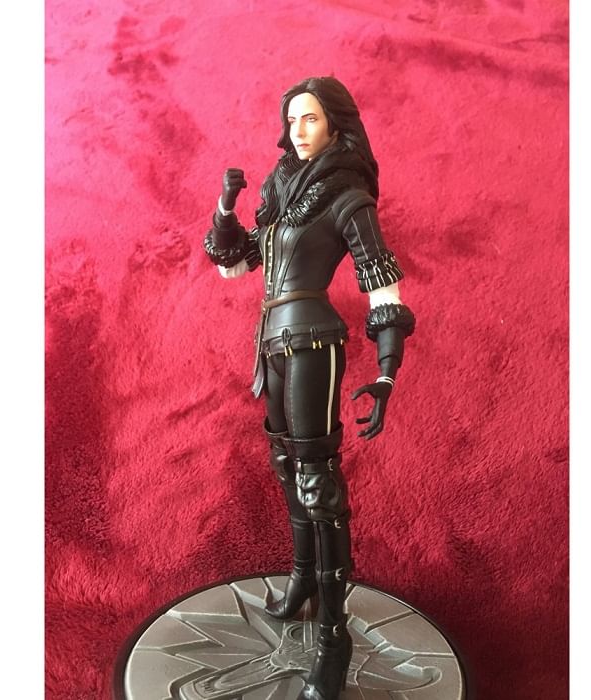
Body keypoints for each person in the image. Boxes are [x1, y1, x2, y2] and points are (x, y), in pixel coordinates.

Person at [203, 76, 415, 700]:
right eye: (292, 118)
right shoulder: (279, 191)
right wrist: (225, 208)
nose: (297, 129)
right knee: (283, 464)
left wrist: (386, 371)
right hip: (270, 344)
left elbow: (380, 278)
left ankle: (333, 635)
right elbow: (235, 265)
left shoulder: (347, 194)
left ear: (335, 124)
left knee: (317, 483)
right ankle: (301, 579)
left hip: (314, 343)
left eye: (311, 118)